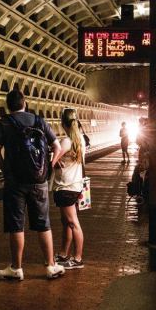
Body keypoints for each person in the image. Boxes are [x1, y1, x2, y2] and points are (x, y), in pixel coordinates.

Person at [0, 88, 66, 280]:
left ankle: (16, 269)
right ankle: (50, 266)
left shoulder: (2, 124)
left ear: (8, 106)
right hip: (39, 181)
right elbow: (57, 147)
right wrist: (49, 165)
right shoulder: (39, 121)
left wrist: (6, 171)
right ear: (25, 103)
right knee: (43, 224)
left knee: (16, 225)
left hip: (15, 182)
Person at [53, 108, 86, 270]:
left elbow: (51, 162)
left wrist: (54, 159)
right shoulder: (81, 139)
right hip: (75, 186)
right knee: (67, 222)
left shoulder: (66, 141)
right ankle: (63, 254)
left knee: (73, 223)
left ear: (62, 123)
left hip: (65, 187)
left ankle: (78, 259)